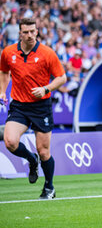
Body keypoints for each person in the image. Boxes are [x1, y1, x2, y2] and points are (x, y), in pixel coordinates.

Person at [0, 18, 67, 199]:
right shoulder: (8, 52)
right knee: (10, 142)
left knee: (44, 151)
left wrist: (46, 88)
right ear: (19, 33)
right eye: (26, 32)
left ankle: (49, 187)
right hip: (19, 105)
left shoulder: (47, 53)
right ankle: (31, 160)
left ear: (37, 31)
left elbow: (62, 78)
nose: (30, 35)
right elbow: (4, 72)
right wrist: (2, 91)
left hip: (41, 106)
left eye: (33, 31)